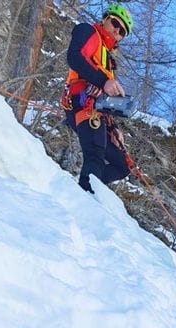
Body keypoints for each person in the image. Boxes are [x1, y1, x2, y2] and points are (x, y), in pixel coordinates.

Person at [62, 4, 133, 194]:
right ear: (106, 19)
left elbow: (104, 95)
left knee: (121, 166)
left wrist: (113, 128)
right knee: (95, 155)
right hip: (81, 101)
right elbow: (74, 57)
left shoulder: (108, 60)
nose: (117, 31)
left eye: (122, 32)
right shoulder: (89, 31)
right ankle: (85, 198)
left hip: (97, 110)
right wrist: (104, 81)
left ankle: (87, 189)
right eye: (115, 23)